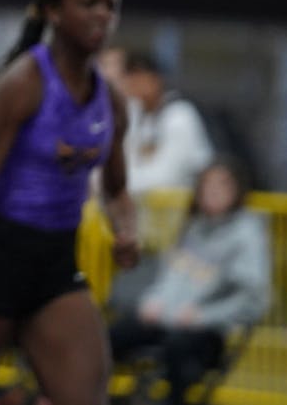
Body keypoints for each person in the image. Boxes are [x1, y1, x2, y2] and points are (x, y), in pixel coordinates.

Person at [0, 0, 138, 405]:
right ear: (53, 11)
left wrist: (126, 229)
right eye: (89, 3)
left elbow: (117, 188)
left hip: (54, 263)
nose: (103, 14)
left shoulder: (113, 103)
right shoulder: (24, 84)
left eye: (111, 5)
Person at [108, 157, 270, 405]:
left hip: (209, 331)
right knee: (114, 335)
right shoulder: (194, 227)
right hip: (167, 320)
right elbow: (170, 275)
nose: (213, 193)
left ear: (236, 190)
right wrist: (153, 301)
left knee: (178, 349)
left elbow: (253, 299)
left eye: (222, 186)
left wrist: (203, 316)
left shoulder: (247, 234)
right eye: (208, 186)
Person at [118, 51, 213, 197]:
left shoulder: (181, 115)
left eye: (140, 77)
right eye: (130, 77)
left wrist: (116, 183)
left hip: (184, 205)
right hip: (145, 203)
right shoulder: (134, 113)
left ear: (156, 79)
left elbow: (165, 178)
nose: (134, 84)